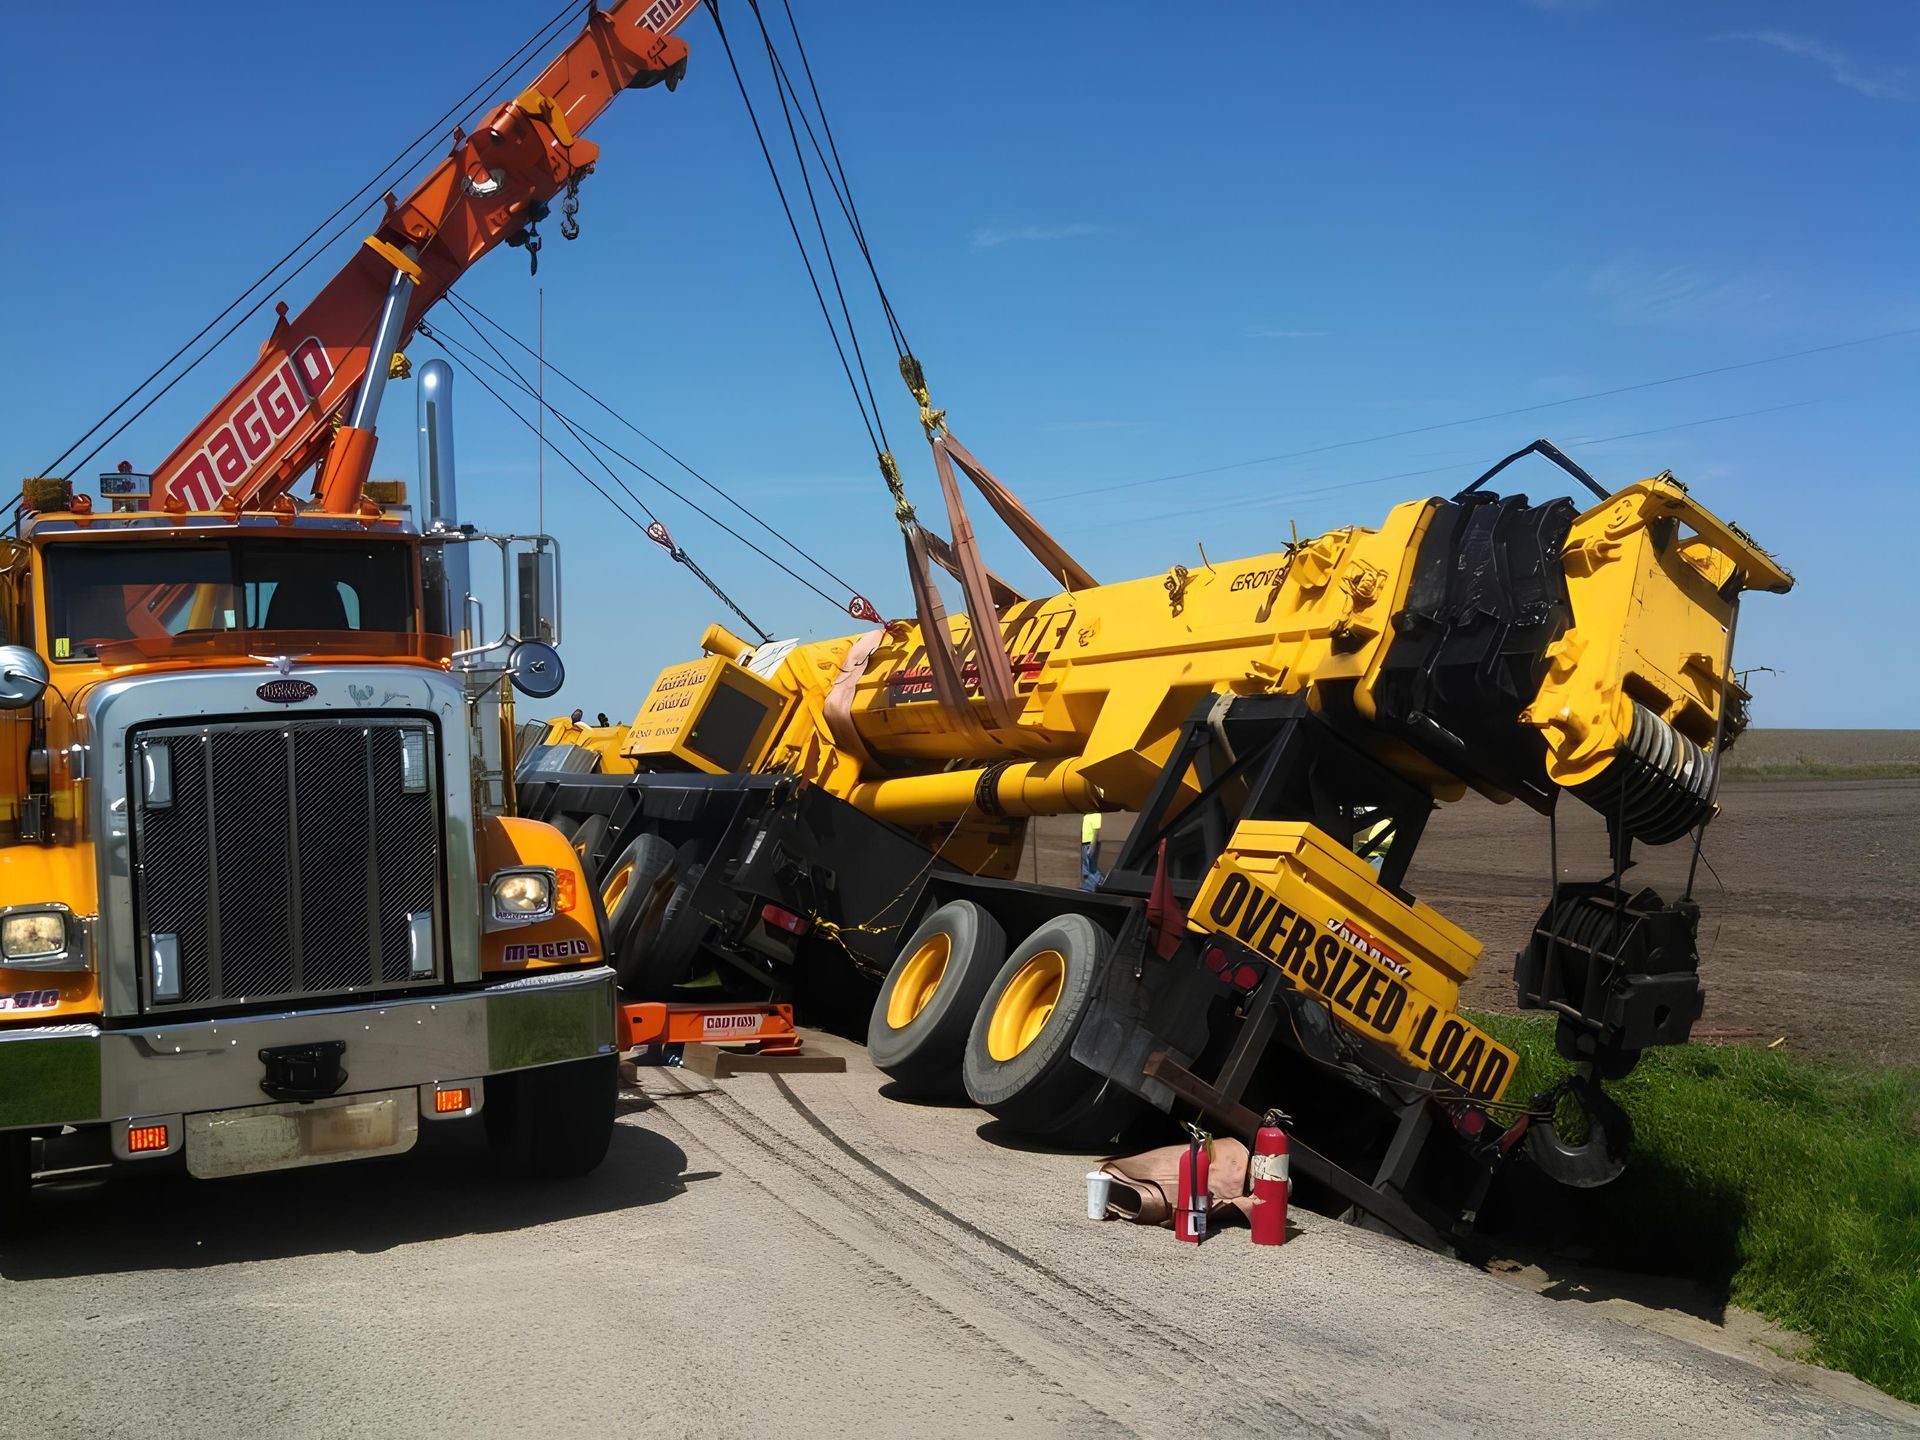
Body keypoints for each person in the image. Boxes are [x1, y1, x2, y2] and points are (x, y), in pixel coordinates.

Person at [1080, 811, 1104, 892]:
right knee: (1086, 868)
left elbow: (1096, 833)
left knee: (1091, 869)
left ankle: (1100, 883)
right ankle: (1088, 886)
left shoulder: (1096, 814)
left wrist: (1091, 848)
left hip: (1090, 844)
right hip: (1084, 844)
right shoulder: (1086, 814)